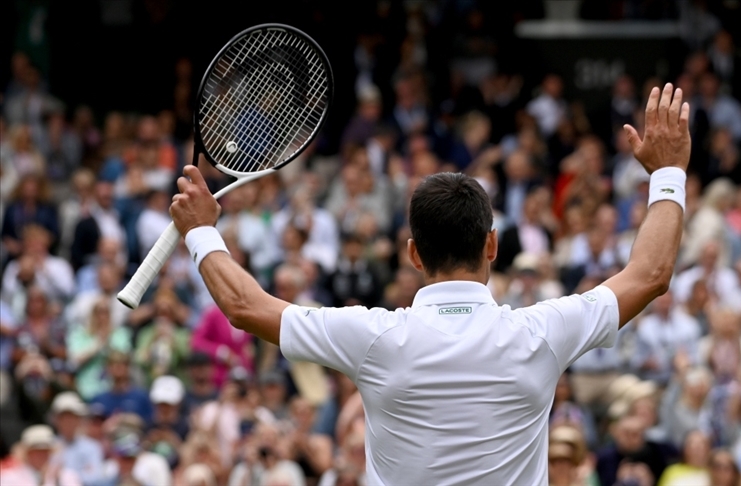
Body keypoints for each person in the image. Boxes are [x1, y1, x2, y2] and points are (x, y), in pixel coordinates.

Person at [167, 83, 692, 484]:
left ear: (413, 254)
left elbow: (242, 304)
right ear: (491, 246)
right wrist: (667, 173)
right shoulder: (541, 333)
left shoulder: (373, 337)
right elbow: (650, 275)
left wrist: (202, 233)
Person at [0, 424, 82, 486]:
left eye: (45, 451)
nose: (41, 455)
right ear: (27, 453)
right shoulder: (9, 478)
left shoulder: (66, 476)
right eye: (36, 451)